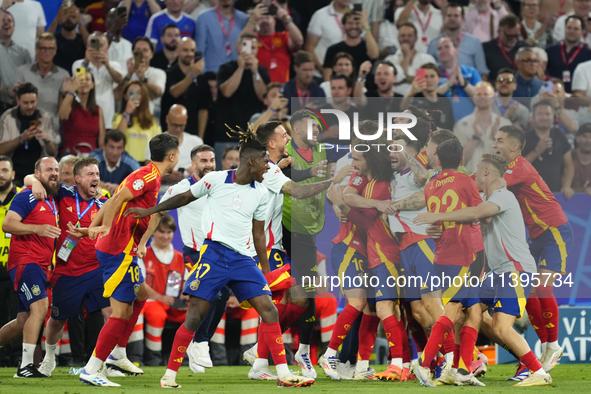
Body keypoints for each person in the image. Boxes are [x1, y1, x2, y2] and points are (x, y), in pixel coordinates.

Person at [124, 129, 315, 388]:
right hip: (213, 256)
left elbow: (259, 235)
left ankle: (283, 375)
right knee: (194, 316)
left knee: (268, 310)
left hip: (243, 260)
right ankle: (169, 375)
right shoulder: (215, 180)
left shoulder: (259, 192)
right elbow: (183, 198)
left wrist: (267, 272)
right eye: (264, 162)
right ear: (251, 161)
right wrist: (149, 210)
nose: (267, 167)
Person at [413, 153, 554, 387]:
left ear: (487, 172)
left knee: (500, 327)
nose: (474, 174)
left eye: (477, 169)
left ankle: (539, 372)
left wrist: (438, 216)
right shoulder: (486, 198)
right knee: (471, 311)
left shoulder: (503, 197)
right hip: (497, 273)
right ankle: (460, 370)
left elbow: (476, 214)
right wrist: (437, 228)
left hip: (514, 270)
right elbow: (471, 217)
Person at [72, 133, 180, 386]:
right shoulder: (147, 177)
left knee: (141, 296)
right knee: (121, 313)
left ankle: (118, 354)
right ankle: (92, 368)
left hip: (125, 248)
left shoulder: (148, 176)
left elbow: (148, 212)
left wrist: (92, 229)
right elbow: (117, 199)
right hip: (118, 251)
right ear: (172, 156)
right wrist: (105, 227)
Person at [246, 120, 351, 380]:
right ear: (271, 143)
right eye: (283, 135)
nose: (288, 138)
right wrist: (332, 180)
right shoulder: (268, 169)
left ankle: (260, 357)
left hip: (277, 246)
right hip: (266, 248)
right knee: (286, 301)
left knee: (297, 298)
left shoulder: (273, 168)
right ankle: (264, 360)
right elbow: (300, 192)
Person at [492, 125, 573, 374]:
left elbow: (488, 186)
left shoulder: (519, 167)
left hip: (554, 231)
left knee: (541, 287)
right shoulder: (509, 168)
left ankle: (552, 345)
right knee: (528, 292)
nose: (495, 145)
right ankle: (547, 347)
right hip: (536, 237)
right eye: (495, 140)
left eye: (500, 141)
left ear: (514, 147)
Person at [24, 158, 110, 377]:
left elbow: (109, 227)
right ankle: (50, 358)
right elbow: (34, 178)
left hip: (96, 268)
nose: (96, 178)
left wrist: (90, 230)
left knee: (111, 313)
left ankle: (110, 361)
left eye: (97, 174)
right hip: (67, 270)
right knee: (56, 320)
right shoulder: (64, 194)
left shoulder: (103, 201)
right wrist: (33, 181)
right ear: (77, 178)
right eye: (91, 174)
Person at [410, 139, 484, 387]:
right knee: (452, 312)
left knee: (474, 313)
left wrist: (434, 227)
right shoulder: (466, 181)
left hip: (444, 252)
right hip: (460, 255)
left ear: (438, 159)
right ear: (462, 159)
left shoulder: (431, 184)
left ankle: (462, 372)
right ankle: (423, 364)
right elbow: (479, 212)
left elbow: (436, 224)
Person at [160, 144, 225, 373]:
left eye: (211, 160)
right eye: (203, 161)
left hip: (220, 251)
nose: (209, 165)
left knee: (223, 295)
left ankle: (199, 342)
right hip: (195, 252)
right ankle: (199, 342)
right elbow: (158, 208)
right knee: (213, 294)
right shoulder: (181, 188)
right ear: (193, 164)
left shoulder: (221, 184)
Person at [0, 157, 59, 377]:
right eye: (48, 169)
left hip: (41, 265)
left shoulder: (53, 197)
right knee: (41, 306)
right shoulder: (27, 195)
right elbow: (8, 224)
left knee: (22, 321)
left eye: (56, 169)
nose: (53, 172)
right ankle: (25, 367)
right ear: (37, 172)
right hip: (25, 261)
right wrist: (37, 228)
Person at [139, 214, 189, 366]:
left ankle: (186, 359)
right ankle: (152, 359)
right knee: (156, 314)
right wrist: (160, 297)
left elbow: (186, 283)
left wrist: (185, 296)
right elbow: (140, 284)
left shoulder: (181, 258)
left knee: (194, 314)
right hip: (151, 302)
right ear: (153, 232)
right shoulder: (143, 254)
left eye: (169, 232)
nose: (166, 236)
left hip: (174, 304)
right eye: (162, 232)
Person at [214, 33, 270, 168]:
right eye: (246, 46)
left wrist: (255, 72)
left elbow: (264, 96)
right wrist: (240, 68)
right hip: (226, 135)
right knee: (224, 177)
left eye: (254, 48)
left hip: (252, 138)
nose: (250, 51)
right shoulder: (226, 68)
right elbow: (227, 92)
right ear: (238, 48)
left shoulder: (261, 71)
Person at [0, 83, 58, 185]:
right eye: (25, 103)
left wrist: (46, 140)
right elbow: (1, 150)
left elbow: (53, 152)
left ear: (37, 100)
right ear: (18, 101)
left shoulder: (45, 117)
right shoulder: (7, 117)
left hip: (40, 173)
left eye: (33, 102)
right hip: (14, 172)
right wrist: (21, 138)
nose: (30, 106)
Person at [454, 81, 512, 174]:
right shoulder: (461, 124)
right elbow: (457, 162)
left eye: (486, 94)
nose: (482, 97)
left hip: (497, 181)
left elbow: (510, 160)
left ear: (493, 98)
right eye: (478, 94)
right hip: (469, 181)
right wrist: (474, 138)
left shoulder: (504, 124)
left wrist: (495, 138)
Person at [239, 3, 303, 83]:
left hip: (281, 88)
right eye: (261, 18)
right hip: (259, 87)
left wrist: (286, 19)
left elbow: (299, 42)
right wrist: (252, 20)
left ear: (274, 21)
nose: (264, 20)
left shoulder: (283, 36)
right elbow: (240, 46)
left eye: (267, 17)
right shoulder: (251, 39)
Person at [16, 32, 69, 128]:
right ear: (36, 50)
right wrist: (16, 92)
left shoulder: (63, 75)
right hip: (26, 126)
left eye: (50, 48)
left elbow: (63, 113)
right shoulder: (23, 72)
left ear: (55, 51)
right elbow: (17, 104)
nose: (47, 52)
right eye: (43, 48)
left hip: (51, 128)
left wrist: (66, 94)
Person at [161, 38, 211, 137]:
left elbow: (203, 110)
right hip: (169, 135)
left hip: (193, 133)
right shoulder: (168, 74)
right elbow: (174, 92)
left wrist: (200, 138)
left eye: (192, 50)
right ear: (177, 51)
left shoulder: (201, 78)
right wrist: (192, 75)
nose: (189, 54)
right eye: (185, 50)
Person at [72, 32, 124, 129]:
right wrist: (86, 62)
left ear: (107, 48)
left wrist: (107, 65)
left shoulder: (114, 65)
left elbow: (120, 81)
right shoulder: (78, 64)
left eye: (101, 45)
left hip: (107, 117)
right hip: (84, 116)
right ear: (87, 46)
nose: (97, 48)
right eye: (94, 44)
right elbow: (77, 82)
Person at [522, 100, 573, 192]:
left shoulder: (559, 135)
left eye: (548, 114)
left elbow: (569, 165)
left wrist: (567, 186)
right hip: (530, 196)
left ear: (553, 117)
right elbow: (517, 168)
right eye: (540, 114)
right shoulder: (524, 138)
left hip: (555, 195)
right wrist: (537, 152)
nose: (544, 117)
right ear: (533, 117)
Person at [428, 2, 489, 77]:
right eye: (449, 15)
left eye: (456, 16)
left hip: (468, 84)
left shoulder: (474, 42)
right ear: (444, 18)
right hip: (441, 84)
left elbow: (482, 73)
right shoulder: (434, 43)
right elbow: (426, 70)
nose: (452, 18)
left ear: (463, 19)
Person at [146, 104, 203, 183]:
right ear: (167, 120)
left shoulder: (196, 142)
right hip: (163, 190)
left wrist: (198, 171)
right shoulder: (154, 142)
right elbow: (147, 173)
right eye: (174, 125)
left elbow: (206, 170)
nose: (178, 130)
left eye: (181, 126)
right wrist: (164, 177)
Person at [0, 156, 21, 368]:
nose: (1, 175)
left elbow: (36, 178)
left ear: (13, 174)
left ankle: (17, 356)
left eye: (5, 170)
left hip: (16, 264)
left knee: (18, 313)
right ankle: (2, 357)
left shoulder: (23, 197)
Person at [323, 9, 379, 82]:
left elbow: (374, 55)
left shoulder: (367, 47)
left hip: (365, 90)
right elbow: (327, 79)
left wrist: (366, 27)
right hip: (340, 90)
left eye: (357, 23)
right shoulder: (333, 49)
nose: (353, 26)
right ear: (343, 26)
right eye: (349, 23)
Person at [59, 71, 106, 157]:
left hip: (91, 156)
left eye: (87, 79)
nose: (83, 82)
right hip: (72, 155)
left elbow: (102, 142)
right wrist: (72, 89)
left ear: (92, 85)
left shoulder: (98, 110)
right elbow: (62, 115)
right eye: (80, 80)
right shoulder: (70, 107)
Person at [194, 0, 249, 73]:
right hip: (213, 75)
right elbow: (199, 51)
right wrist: (205, 77)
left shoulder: (243, 19)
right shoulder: (203, 18)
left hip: (237, 74)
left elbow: (248, 48)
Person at [115, 81, 162, 163]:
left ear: (143, 96)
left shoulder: (152, 121)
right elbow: (117, 138)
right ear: (125, 96)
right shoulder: (119, 118)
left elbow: (158, 146)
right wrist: (127, 113)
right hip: (124, 163)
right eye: (131, 92)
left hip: (146, 165)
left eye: (139, 93)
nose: (135, 96)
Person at [436, 37, 481, 121]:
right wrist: (449, 83)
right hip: (441, 125)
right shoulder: (431, 74)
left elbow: (482, 98)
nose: (443, 51)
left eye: (447, 47)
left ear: (457, 50)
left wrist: (463, 83)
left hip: (469, 125)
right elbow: (427, 97)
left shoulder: (471, 72)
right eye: (439, 49)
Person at [384, 22, 435, 96]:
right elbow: (396, 79)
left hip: (421, 100)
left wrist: (405, 79)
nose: (406, 38)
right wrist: (407, 56)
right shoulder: (390, 60)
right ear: (398, 38)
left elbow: (430, 82)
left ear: (416, 38)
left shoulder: (427, 59)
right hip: (396, 100)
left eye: (410, 35)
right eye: (402, 35)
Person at [305, 0, 353, 78]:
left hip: (349, 77)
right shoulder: (320, 15)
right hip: (321, 76)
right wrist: (323, 70)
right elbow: (309, 47)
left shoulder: (358, 14)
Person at [401, 62, 454, 130]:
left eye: (432, 76)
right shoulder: (415, 98)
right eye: (425, 76)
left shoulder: (445, 100)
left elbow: (450, 125)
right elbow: (402, 108)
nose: (429, 80)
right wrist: (412, 92)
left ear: (439, 78)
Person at [124, 37, 167, 119]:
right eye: (138, 50)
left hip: (151, 119)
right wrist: (129, 75)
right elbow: (118, 95)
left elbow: (158, 92)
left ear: (151, 54)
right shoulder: (126, 71)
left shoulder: (159, 73)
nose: (141, 53)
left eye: (145, 50)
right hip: (128, 118)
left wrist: (143, 78)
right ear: (133, 53)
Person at [546, 15, 591, 93]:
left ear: (582, 31)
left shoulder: (588, 53)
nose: (572, 31)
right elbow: (544, 75)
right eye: (569, 28)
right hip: (553, 95)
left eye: (576, 29)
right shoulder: (550, 51)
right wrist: (548, 93)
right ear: (565, 29)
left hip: (576, 97)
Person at [89, 130, 141, 195]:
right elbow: (83, 179)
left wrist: (121, 187)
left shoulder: (130, 163)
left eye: (119, 148)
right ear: (104, 146)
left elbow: (142, 183)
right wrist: (102, 185)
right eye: (111, 147)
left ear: (124, 149)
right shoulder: (94, 159)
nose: (115, 152)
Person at [0, 10, 31, 112]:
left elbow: (29, 78)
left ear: (14, 26)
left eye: (9, 20)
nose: (6, 23)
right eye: (2, 20)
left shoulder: (23, 52)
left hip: (18, 105)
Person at [482, 14, 527, 82]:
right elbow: (483, 75)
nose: (513, 39)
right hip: (496, 87)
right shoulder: (486, 49)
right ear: (499, 32)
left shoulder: (526, 48)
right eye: (509, 36)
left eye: (516, 35)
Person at [50, 5, 88, 75]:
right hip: (57, 78)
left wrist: (80, 23)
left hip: (79, 78)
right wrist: (57, 19)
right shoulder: (53, 39)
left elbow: (94, 47)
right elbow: (43, 41)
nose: (69, 19)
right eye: (66, 16)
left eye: (73, 17)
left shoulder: (82, 39)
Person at [317, 75, 354, 144]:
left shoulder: (357, 114)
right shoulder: (318, 113)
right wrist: (325, 134)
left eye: (340, 88)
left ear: (349, 90)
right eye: (333, 88)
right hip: (324, 153)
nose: (336, 91)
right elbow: (306, 141)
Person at [563, 123, 591, 197]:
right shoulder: (568, 157)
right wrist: (584, 190)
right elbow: (562, 189)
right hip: (569, 204)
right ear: (577, 139)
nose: (588, 140)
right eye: (585, 136)